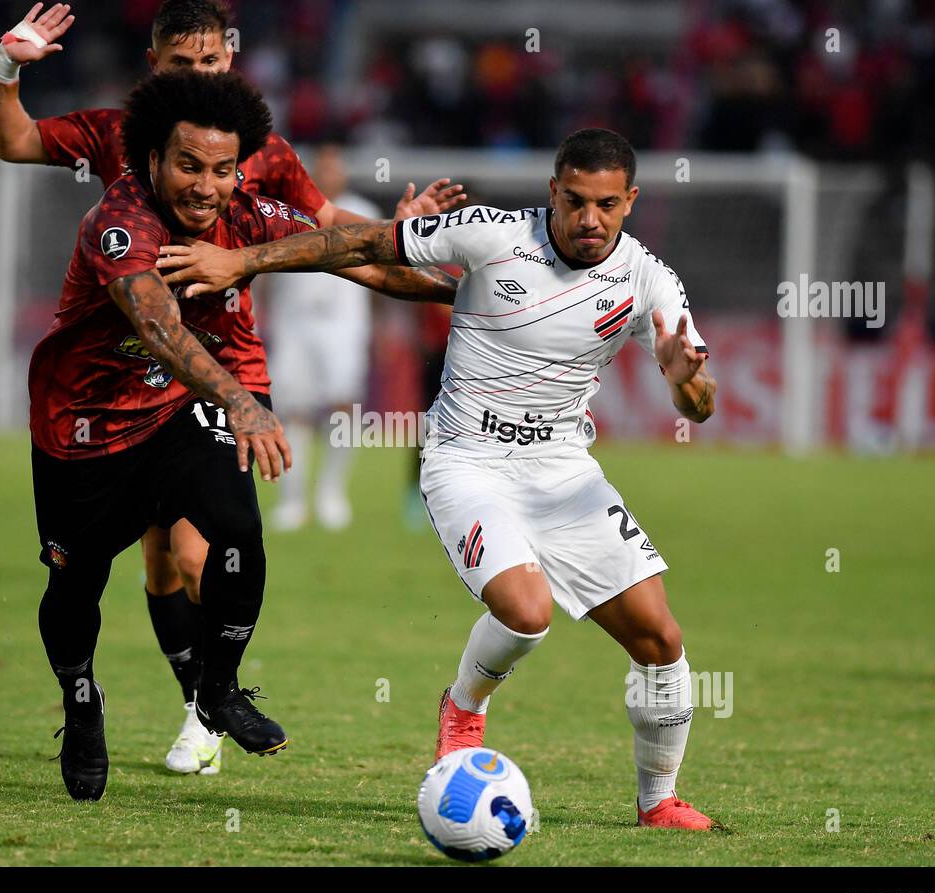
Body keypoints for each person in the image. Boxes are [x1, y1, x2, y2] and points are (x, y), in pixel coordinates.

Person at [158, 128, 721, 829]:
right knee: (527, 611)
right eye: (574, 200)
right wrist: (240, 259)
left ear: (629, 202)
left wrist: (682, 382)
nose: (588, 219)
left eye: (606, 204)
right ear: (553, 191)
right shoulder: (491, 233)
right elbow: (363, 245)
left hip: (564, 472)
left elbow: (700, 399)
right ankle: (464, 706)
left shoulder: (649, 280)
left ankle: (657, 802)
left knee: (661, 640)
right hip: (467, 460)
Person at [0, 0, 465, 775]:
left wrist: (450, 272)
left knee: (217, 542)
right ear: (155, 70)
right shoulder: (117, 199)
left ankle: (213, 695)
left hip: (208, 373)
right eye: (186, 63)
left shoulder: (255, 161)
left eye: (214, 62)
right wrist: (9, 67)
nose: (209, 183)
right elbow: (154, 322)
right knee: (109, 576)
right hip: (95, 403)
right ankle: (84, 700)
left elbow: (335, 237)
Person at [261, 143, 381, 531]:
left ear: (343, 172)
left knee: (342, 407)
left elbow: (383, 278)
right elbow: (261, 272)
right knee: (292, 409)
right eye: (322, 168)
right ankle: (293, 501)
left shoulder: (364, 212)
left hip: (345, 326)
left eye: (335, 167)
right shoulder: (284, 211)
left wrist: (375, 329)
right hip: (292, 323)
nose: (329, 175)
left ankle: (331, 495)